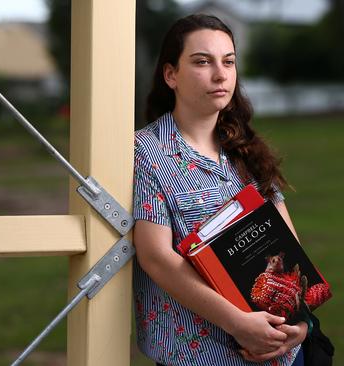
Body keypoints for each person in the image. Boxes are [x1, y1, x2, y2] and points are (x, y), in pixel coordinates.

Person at [133, 14, 309, 366]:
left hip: (284, 352)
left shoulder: (247, 149)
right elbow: (156, 258)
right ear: (171, 75)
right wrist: (240, 325)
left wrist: (300, 324)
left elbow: (289, 248)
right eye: (202, 62)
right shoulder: (145, 152)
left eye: (228, 62)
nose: (220, 74)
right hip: (201, 355)